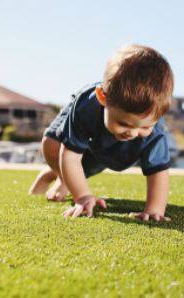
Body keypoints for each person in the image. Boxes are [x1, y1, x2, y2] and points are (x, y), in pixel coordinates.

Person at [28, 44, 174, 222]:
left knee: (89, 165)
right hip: (85, 125)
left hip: (104, 143)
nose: (133, 133)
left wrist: (154, 209)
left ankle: (66, 179)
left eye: (144, 127)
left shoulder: (155, 131)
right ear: (102, 97)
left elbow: (158, 171)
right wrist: (82, 197)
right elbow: (70, 156)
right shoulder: (86, 107)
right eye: (123, 123)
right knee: (51, 145)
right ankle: (60, 175)